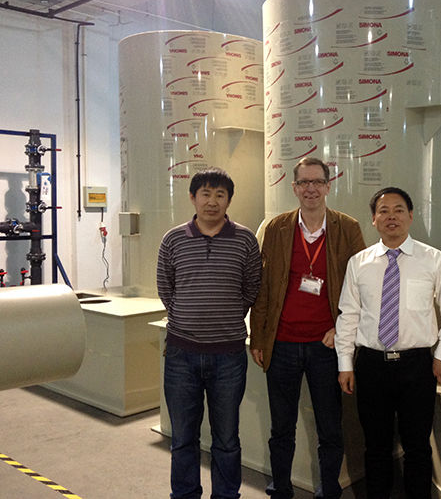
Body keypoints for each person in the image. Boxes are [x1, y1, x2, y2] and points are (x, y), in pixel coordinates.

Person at [335, 187, 441, 499]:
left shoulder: (433, 260)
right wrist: (345, 364)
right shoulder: (359, 263)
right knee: (376, 446)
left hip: (417, 366)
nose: (391, 216)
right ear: (374, 219)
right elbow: (348, 315)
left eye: (398, 210)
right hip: (371, 365)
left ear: (410, 216)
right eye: (383, 211)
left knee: (417, 447)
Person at [249, 157, 366, 499]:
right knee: (281, 427)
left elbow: (364, 286)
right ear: (294, 187)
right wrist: (258, 337)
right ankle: (281, 489)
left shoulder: (348, 228)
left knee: (329, 428)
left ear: (328, 186)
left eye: (317, 182)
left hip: (326, 347)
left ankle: (329, 490)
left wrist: (342, 328)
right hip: (282, 343)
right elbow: (263, 287)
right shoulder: (277, 228)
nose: (310, 188)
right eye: (303, 182)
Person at [157, 167, 262, 499]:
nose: (212, 201)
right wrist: (187, 317)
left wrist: (226, 317)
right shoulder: (173, 239)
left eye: (220, 195)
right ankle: (185, 494)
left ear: (229, 200)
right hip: (180, 354)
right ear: (193, 198)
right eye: (205, 194)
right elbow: (165, 287)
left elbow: (252, 288)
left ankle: (226, 495)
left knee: (227, 438)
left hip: (228, 356)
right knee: (182, 438)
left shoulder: (245, 239)